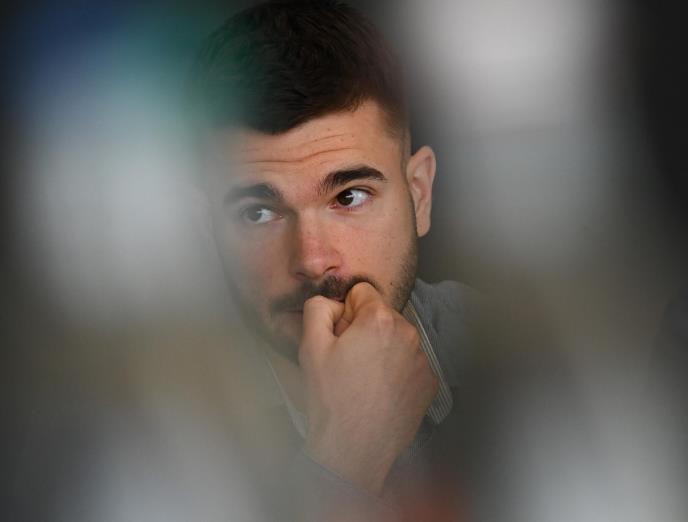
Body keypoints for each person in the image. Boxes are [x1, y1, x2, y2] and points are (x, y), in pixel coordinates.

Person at [188, 1, 479, 520]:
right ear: (208, 231)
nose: (313, 260)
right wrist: (346, 457)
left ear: (419, 194)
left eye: (349, 197)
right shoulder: (165, 430)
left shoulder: (520, 360)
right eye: (258, 212)